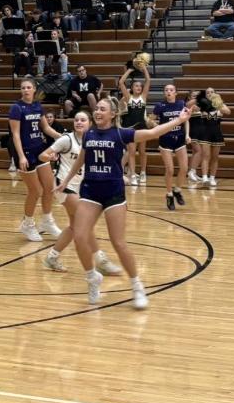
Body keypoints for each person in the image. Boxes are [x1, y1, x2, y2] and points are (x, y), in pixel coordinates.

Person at [56, 98, 191, 308]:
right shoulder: (89, 133)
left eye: (102, 109)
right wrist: (65, 181)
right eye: (96, 108)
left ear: (113, 114)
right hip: (90, 190)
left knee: (118, 243)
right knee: (80, 237)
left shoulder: (121, 133)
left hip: (114, 192)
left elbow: (153, 133)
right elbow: (82, 159)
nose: (98, 111)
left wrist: (179, 120)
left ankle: (137, 285)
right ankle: (92, 278)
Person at [39, 111, 122, 275]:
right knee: (86, 223)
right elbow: (42, 156)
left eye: (83, 120)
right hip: (64, 186)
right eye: (76, 120)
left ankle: (52, 257)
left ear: (90, 123)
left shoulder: (94, 140)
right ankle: (101, 260)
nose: (79, 122)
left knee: (74, 226)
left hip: (81, 188)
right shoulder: (66, 140)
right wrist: (51, 157)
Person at [10, 78, 62, 242]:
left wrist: (64, 138)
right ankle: (28, 224)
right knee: (35, 191)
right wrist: (21, 156)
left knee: (49, 187)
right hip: (25, 152)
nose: (25, 90)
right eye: (23, 87)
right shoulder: (17, 108)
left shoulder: (37, 106)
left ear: (34, 89)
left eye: (28, 87)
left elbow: (46, 128)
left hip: (39, 149)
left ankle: (47, 220)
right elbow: (16, 134)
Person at [151, 83, 189, 210]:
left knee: (184, 168)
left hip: (180, 138)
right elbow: (150, 120)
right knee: (170, 170)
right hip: (165, 140)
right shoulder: (160, 106)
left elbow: (186, 119)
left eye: (171, 90)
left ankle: (177, 190)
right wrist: (156, 127)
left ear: (175, 92)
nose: (168, 92)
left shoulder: (181, 104)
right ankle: (169, 194)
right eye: (166, 90)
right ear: (164, 93)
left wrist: (188, 135)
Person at [117, 64, 151, 185]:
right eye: (136, 85)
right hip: (131, 128)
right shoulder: (128, 97)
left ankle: (142, 172)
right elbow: (121, 82)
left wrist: (144, 68)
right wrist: (130, 70)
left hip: (142, 126)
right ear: (132, 87)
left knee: (142, 151)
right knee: (131, 152)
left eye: (140, 86)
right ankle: (132, 174)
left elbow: (148, 80)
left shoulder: (143, 97)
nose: (138, 87)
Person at [199, 89, 229, 187]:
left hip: (216, 133)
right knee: (205, 156)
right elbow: (204, 115)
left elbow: (228, 111)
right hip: (205, 132)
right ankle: (204, 177)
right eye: (208, 92)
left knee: (215, 157)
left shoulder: (219, 104)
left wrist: (218, 104)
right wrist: (216, 113)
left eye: (212, 92)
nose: (210, 94)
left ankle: (212, 178)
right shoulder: (203, 104)